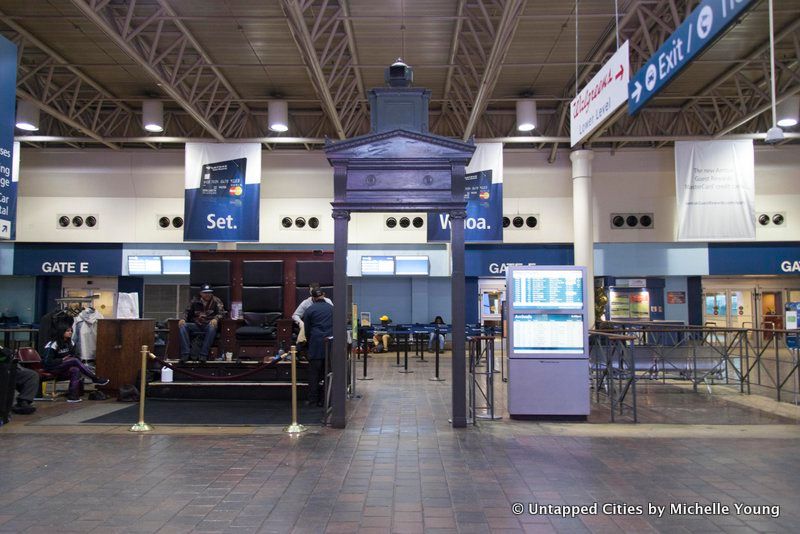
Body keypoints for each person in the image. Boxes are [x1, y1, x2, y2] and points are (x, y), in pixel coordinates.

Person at [42, 325, 109, 403]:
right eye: (68, 331)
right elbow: (47, 362)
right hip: (52, 368)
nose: (70, 332)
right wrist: (62, 360)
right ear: (61, 332)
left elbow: (75, 356)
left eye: (71, 331)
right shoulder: (53, 344)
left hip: (64, 369)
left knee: (75, 369)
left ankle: (73, 396)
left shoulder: (71, 343)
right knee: (74, 360)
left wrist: (70, 360)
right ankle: (94, 378)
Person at [178, 284, 226, 363]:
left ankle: (203, 355)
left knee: (212, 327)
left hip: (209, 325)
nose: (208, 294)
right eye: (205, 293)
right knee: (183, 326)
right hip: (197, 325)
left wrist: (216, 319)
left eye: (209, 293)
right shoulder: (195, 300)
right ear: (201, 293)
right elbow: (186, 311)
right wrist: (183, 319)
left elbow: (222, 313)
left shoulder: (216, 300)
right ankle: (185, 354)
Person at [302, 288, 333, 407]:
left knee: (314, 374)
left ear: (313, 298)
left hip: (315, 345)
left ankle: (313, 400)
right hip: (329, 345)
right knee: (328, 373)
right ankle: (326, 400)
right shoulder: (332, 309)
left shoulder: (310, 309)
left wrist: (310, 341)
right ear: (323, 296)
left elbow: (307, 330)